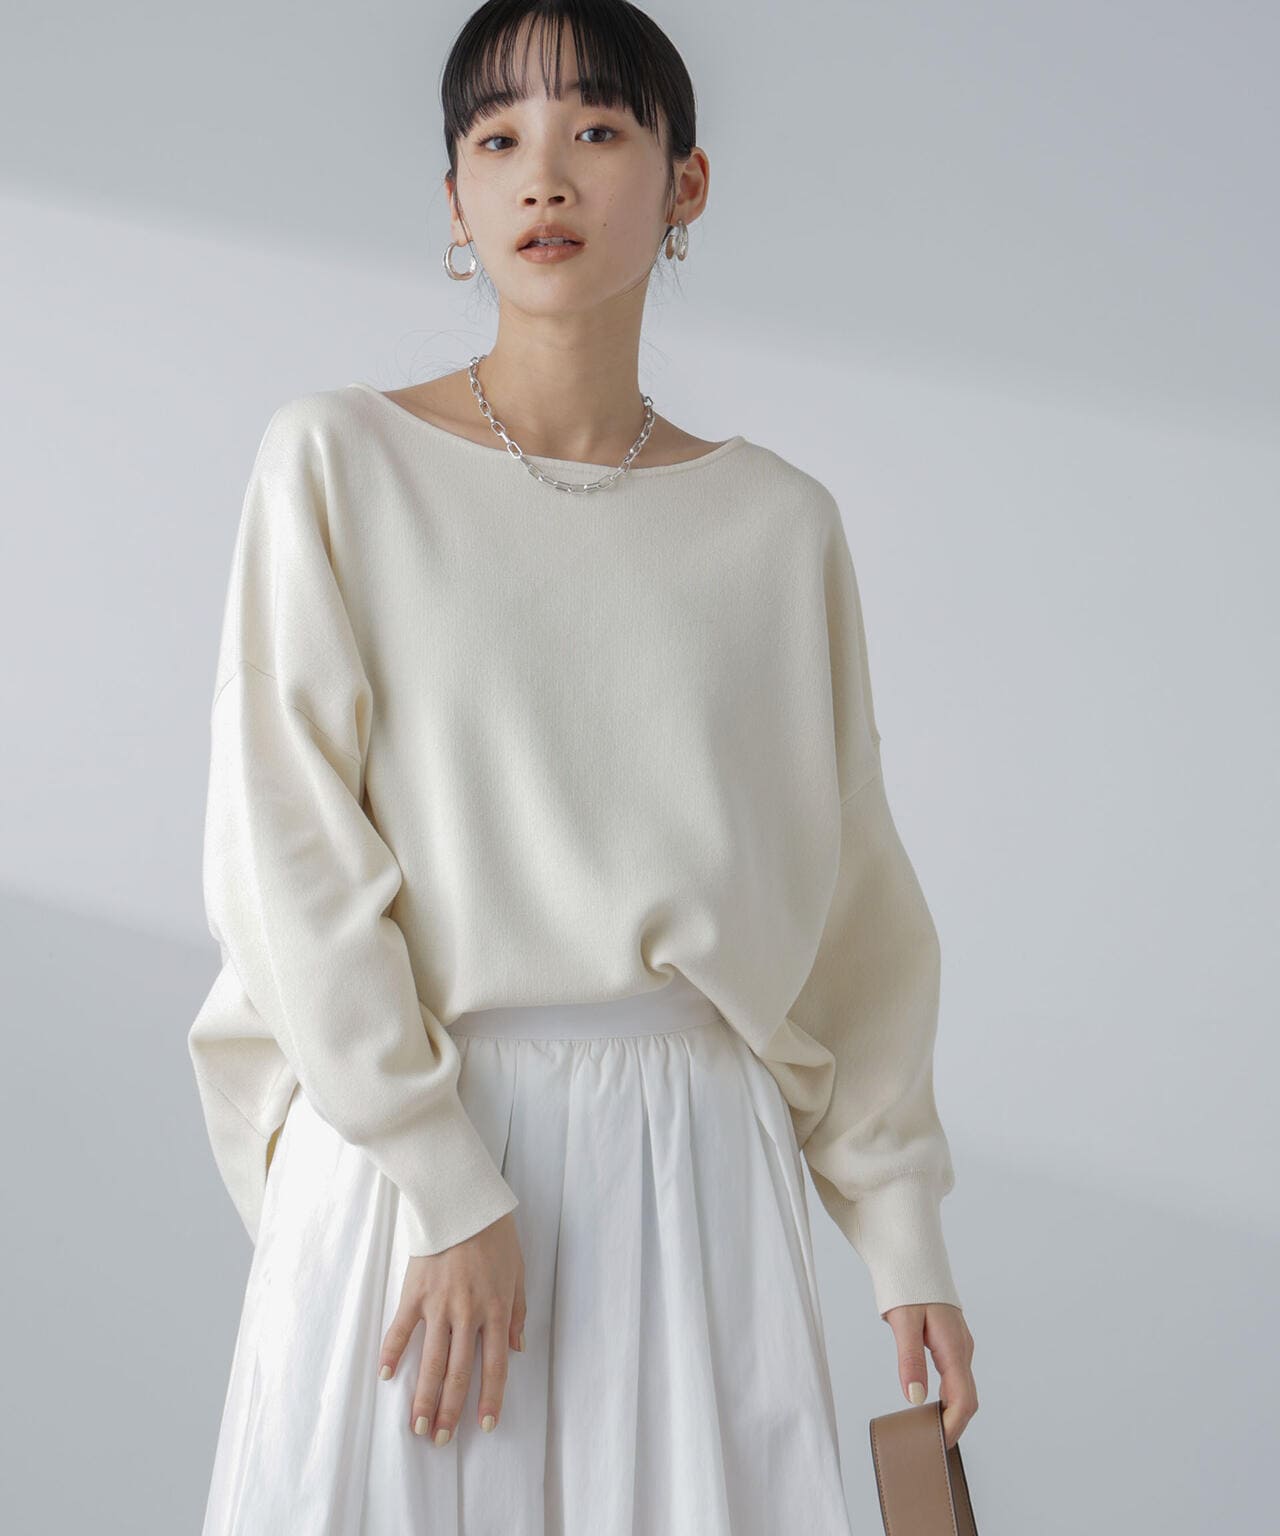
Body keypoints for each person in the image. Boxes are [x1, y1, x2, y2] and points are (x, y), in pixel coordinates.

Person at [190, 2, 979, 1530]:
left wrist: (904, 1239)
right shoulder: (336, 463)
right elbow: (283, 855)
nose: (544, 175)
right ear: (455, 201)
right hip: (416, 1158)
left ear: (687, 184)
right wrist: (444, 1180)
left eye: (597, 130)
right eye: (498, 140)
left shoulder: (777, 526)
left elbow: (851, 902)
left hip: (694, 1169)